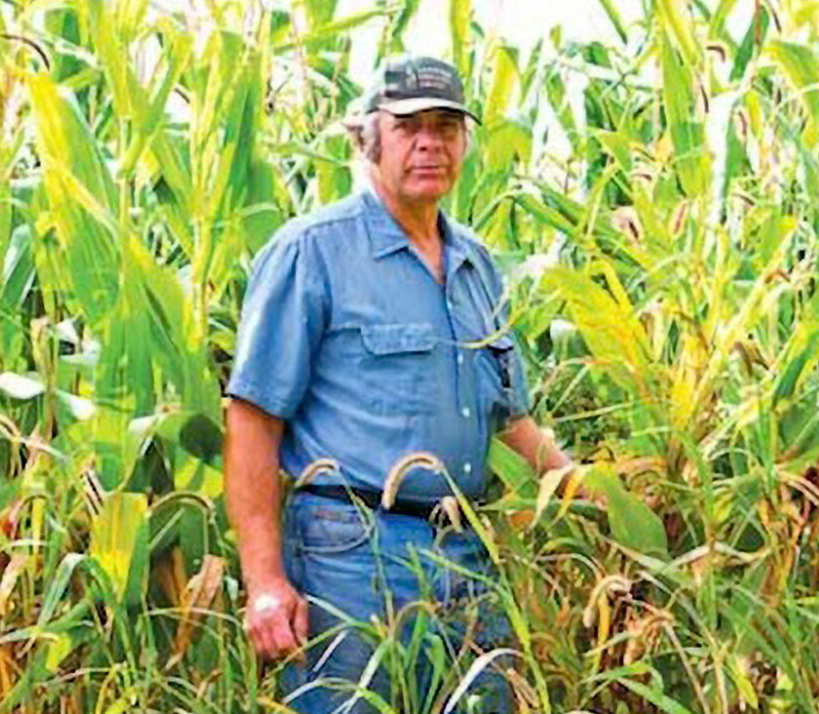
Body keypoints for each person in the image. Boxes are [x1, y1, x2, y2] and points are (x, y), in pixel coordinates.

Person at [223, 54, 578, 713]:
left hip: (466, 551)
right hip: (350, 554)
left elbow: (512, 422)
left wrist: (596, 498)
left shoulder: (476, 266)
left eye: (446, 126)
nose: (429, 143)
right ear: (368, 138)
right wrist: (265, 580)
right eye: (410, 126)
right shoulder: (312, 252)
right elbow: (253, 418)